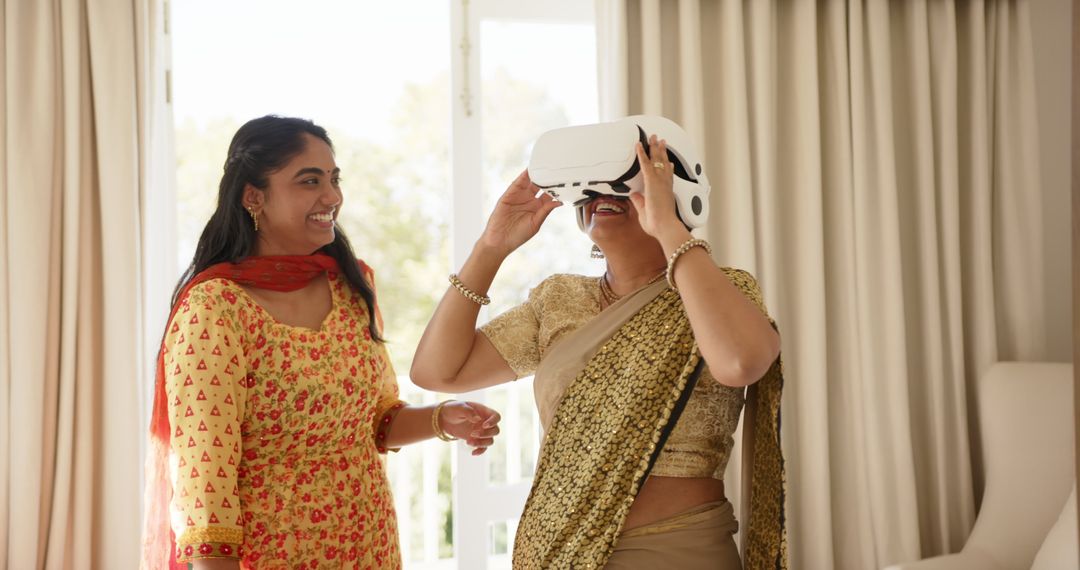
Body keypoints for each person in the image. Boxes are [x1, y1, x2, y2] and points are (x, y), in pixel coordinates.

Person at [411, 124, 786, 569]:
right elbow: (438, 372)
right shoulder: (558, 299)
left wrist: (669, 229)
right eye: (590, 189)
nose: (603, 195)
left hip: (676, 548)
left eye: (628, 185)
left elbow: (741, 363)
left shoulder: (723, 290)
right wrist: (490, 248)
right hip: (560, 549)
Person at [141, 115, 502, 570]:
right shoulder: (215, 309)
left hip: (368, 546)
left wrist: (441, 419)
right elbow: (204, 478)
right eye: (309, 181)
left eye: (334, 179)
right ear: (254, 196)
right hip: (267, 556)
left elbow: (375, 423)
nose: (331, 197)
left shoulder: (351, 287)